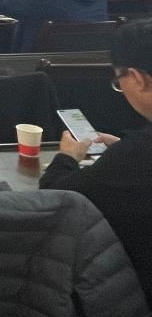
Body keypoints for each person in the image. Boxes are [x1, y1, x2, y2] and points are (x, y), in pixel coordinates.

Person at [39, 19, 152, 309]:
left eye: (119, 81)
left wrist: (67, 157)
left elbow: (55, 197)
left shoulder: (134, 157)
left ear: (137, 78)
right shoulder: (133, 153)